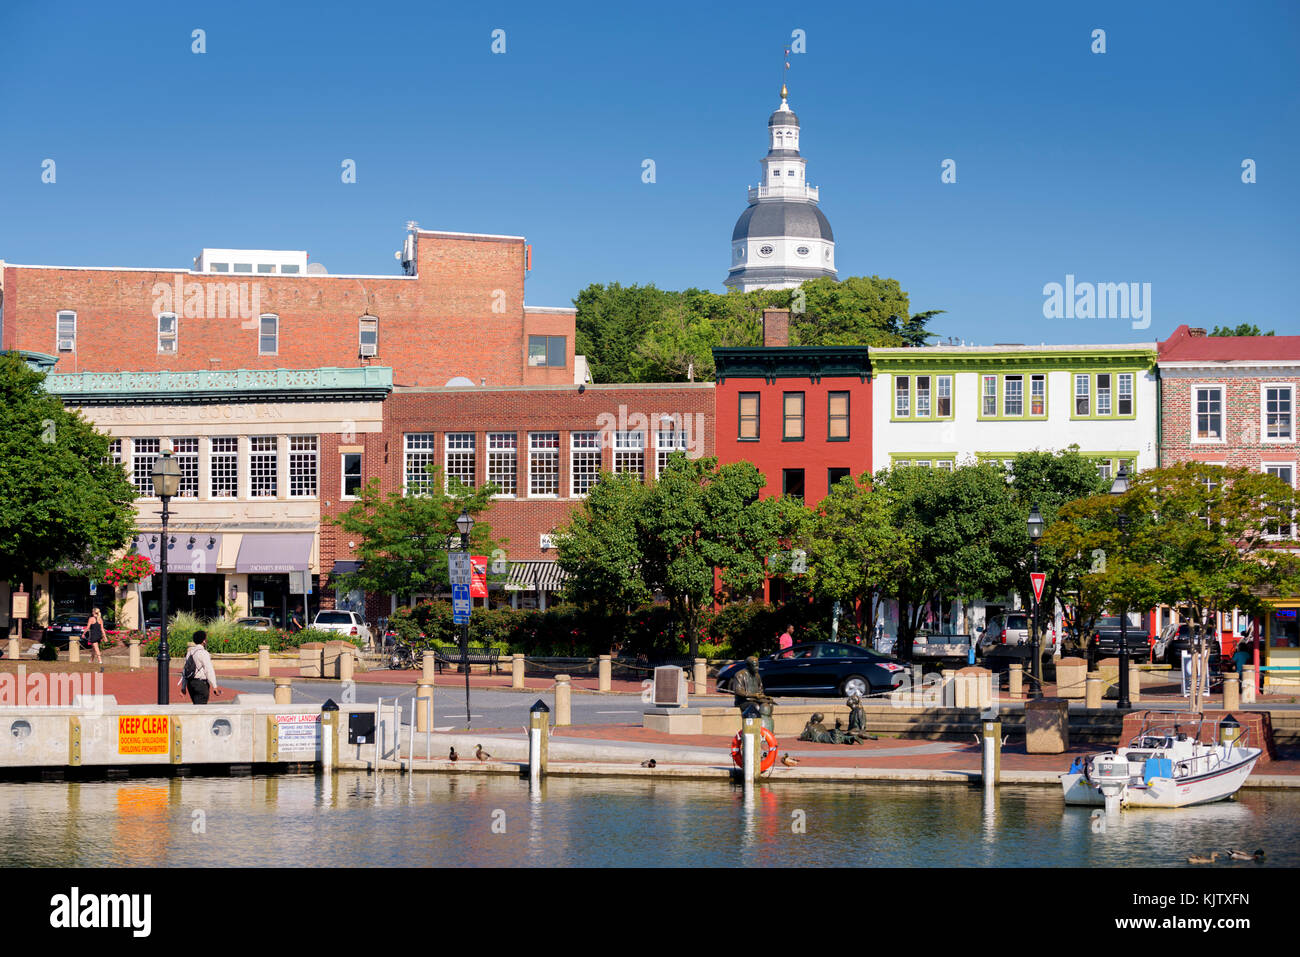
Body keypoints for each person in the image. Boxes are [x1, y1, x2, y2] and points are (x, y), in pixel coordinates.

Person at [179, 631, 222, 704]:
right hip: (201, 684)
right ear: (204, 641)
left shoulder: (190, 652)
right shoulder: (203, 653)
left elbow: (185, 670)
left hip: (190, 684)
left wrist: (183, 687)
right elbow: (209, 670)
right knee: (201, 708)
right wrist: (215, 686)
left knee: (196, 705)